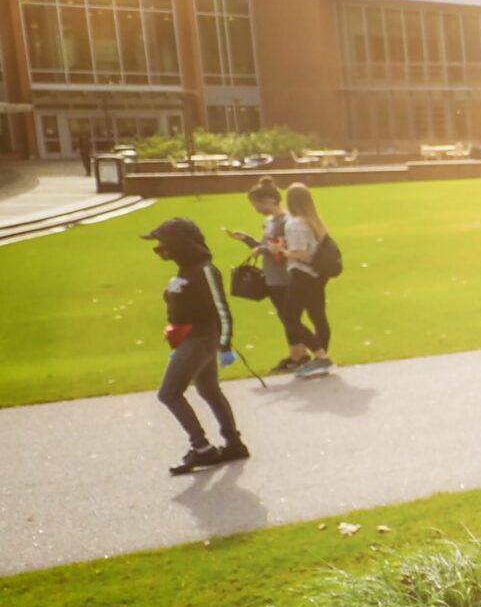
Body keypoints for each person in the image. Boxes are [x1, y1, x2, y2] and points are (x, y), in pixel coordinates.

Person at [141, 217, 247, 474]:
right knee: (209, 389)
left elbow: (221, 309)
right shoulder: (185, 269)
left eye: (162, 243)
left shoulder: (205, 269)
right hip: (189, 339)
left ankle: (201, 448)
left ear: (179, 243)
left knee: (168, 393)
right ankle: (233, 443)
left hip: (202, 339)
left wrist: (225, 345)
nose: (159, 249)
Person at [224, 178, 295, 363]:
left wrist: (261, 249)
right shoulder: (269, 221)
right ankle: (297, 353)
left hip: (284, 276)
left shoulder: (285, 222)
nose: (256, 208)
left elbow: (279, 248)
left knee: (290, 318)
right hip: (272, 276)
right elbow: (266, 246)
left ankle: (299, 354)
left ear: (270, 200)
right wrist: (247, 240)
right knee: (284, 317)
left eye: (257, 203)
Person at [274, 183, 336, 376]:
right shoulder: (317, 222)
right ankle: (321, 357)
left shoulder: (294, 224)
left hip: (302, 274)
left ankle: (321, 356)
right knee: (318, 316)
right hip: (318, 274)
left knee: (290, 317)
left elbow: (299, 253)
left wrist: (281, 251)